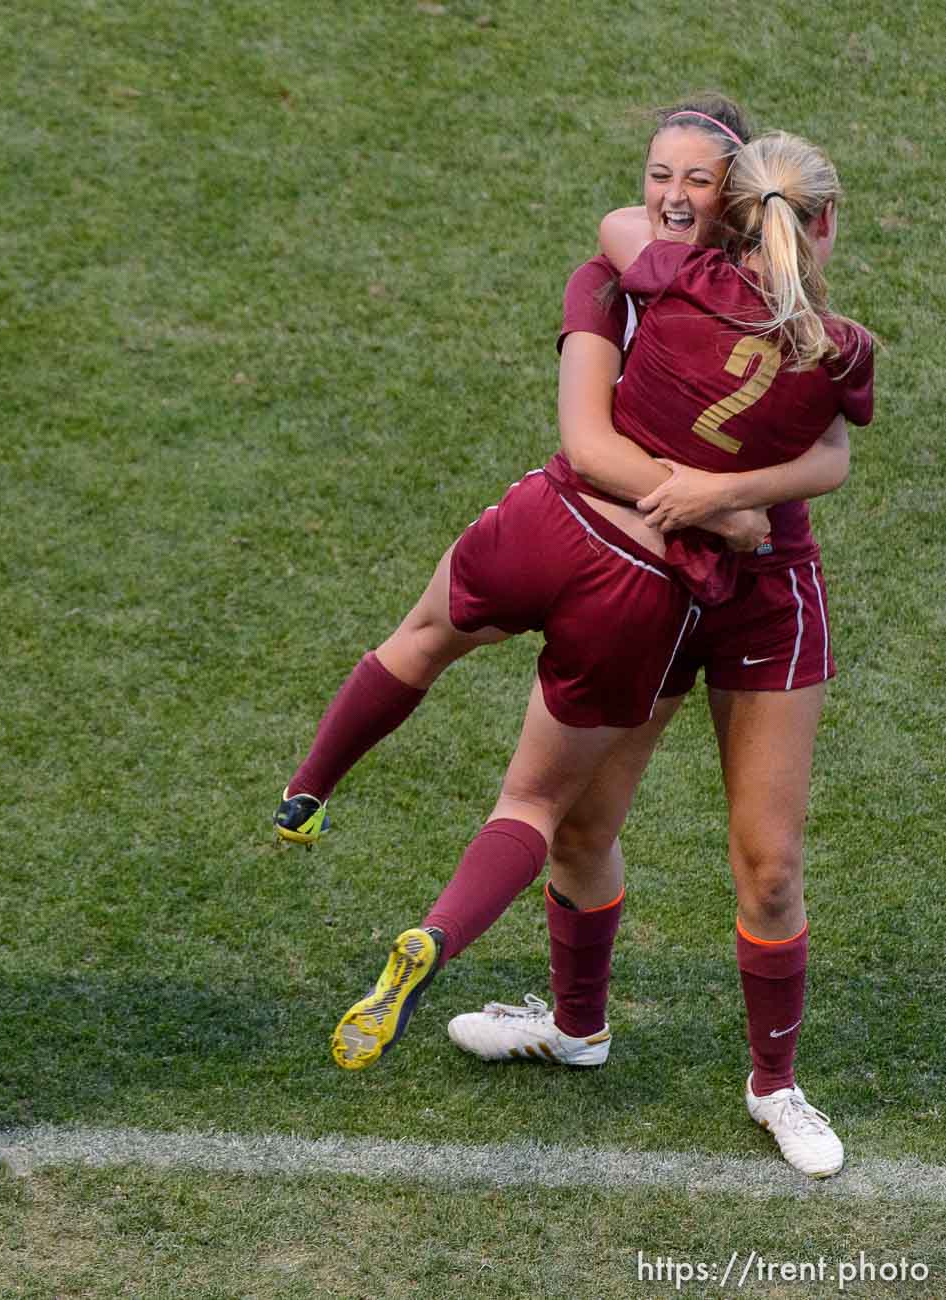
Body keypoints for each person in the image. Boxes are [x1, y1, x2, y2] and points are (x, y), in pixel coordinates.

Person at [274, 115, 870, 1172]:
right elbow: (591, 435)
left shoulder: (781, 321)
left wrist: (726, 497)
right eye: (659, 176)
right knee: (580, 826)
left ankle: (777, 1082)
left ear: (741, 206)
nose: (676, 195)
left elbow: (829, 456)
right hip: (650, 581)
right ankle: (577, 1026)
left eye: (699, 180)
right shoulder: (626, 274)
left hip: (759, 592)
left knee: (768, 864)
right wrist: (695, 505)